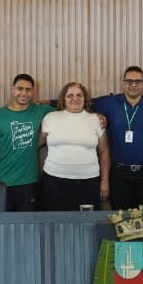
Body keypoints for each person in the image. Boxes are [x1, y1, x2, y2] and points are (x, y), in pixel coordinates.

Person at [97, 66, 143, 209]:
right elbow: (81, 104)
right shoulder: (109, 103)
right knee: (121, 220)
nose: (133, 85)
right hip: (119, 174)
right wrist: (97, 114)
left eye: (138, 81)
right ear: (123, 83)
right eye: (129, 81)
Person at [0, 74, 55, 211]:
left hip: (28, 181)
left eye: (28, 90)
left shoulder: (40, 110)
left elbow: (67, 109)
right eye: (20, 89)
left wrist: (98, 115)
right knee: (1, 226)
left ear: (33, 92)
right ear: (12, 89)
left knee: (26, 226)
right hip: (1, 180)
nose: (24, 93)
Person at [39, 82, 109, 210]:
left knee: (86, 225)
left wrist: (104, 181)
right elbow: (38, 143)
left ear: (85, 98)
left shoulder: (96, 120)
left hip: (89, 182)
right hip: (53, 181)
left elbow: (104, 151)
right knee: (55, 223)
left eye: (79, 95)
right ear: (63, 99)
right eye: (70, 95)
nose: (75, 99)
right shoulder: (50, 118)